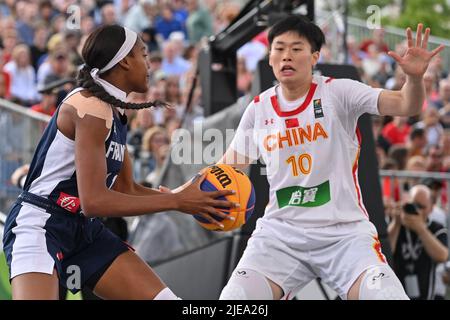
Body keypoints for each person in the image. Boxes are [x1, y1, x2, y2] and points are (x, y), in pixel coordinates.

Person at [2, 24, 237, 300]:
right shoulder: (90, 108)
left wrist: (183, 198)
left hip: (82, 230)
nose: (149, 64)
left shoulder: (114, 112)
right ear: (125, 60)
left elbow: (126, 188)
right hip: (41, 225)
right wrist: (176, 201)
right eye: (144, 55)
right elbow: (95, 202)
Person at [216, 15, 444, 300]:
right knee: (236, 299)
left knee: (386, 296)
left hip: (344, 234)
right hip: (280, 234)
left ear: (314, 57)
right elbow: (225, 170)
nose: (287, 55)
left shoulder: (338, 92)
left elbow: (406, 104)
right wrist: (183, 195)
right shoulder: (258, 108)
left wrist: (413, 77)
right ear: (270, 57)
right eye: (279, 48)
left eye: (296, 49)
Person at [388, 185, 448, 299]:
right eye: (414, 205)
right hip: (397, 293)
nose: (417, 210)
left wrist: (420, 229)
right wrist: (396, 223)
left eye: (422, 206)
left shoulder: (436, 228)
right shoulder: (397, 224)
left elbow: (442, 256)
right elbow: (384, 252)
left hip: (426, 294)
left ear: (431, 208)